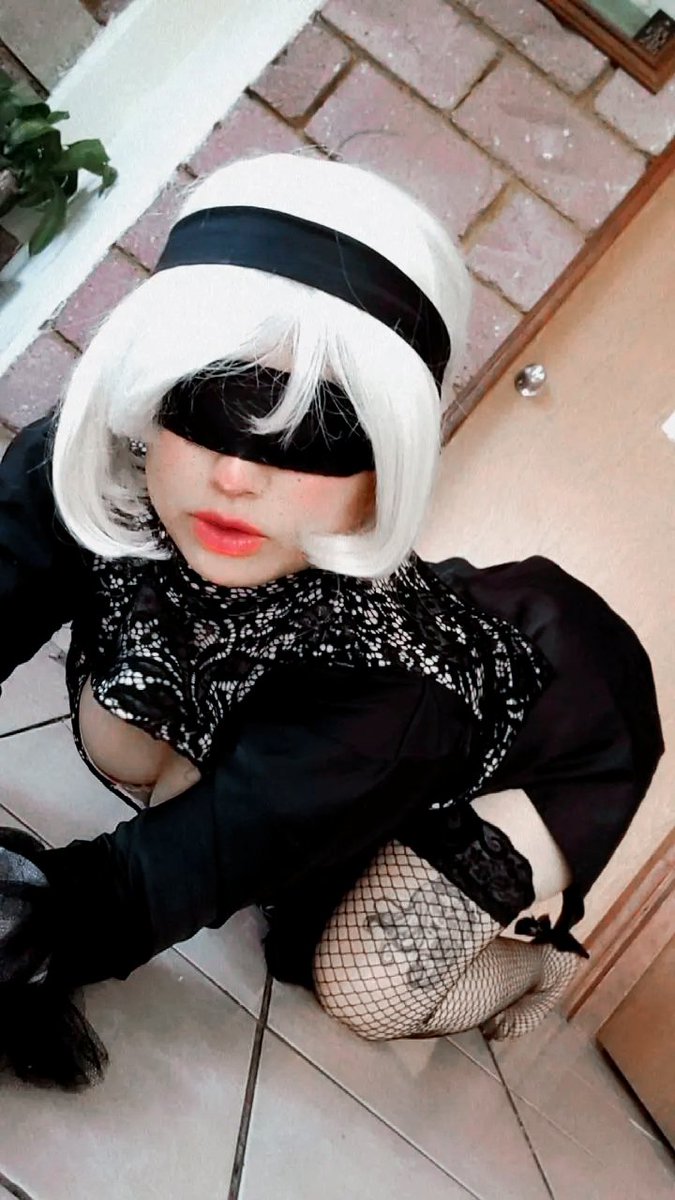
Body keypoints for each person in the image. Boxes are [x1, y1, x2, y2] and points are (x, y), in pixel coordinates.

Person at [0, 152, 663, 1090]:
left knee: (364, 985)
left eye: (321, 429)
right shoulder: (98, 470)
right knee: (130, 742)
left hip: (556, 722)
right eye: (207, 397)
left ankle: (527, 958)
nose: (236, 476)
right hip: (357, 704)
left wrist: (30, 928)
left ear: (388, 461)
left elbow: (133, 891)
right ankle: (350, 820)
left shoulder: (393, 688)